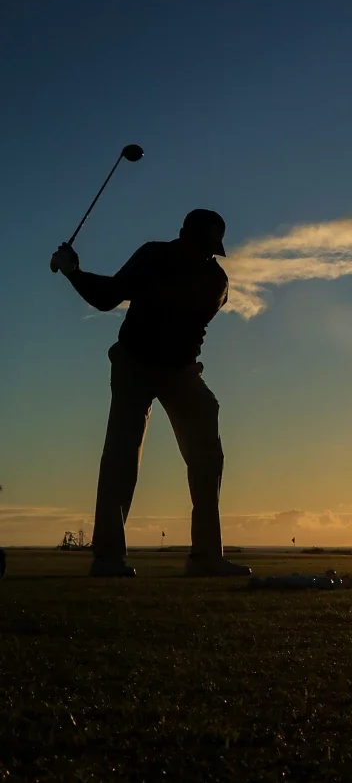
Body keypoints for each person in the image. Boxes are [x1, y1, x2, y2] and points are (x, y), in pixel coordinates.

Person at [51, 209, 249, 578]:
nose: (205, 255)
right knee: (121, 458)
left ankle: (206, 557)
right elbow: (108, 298)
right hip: (134, 366)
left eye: (210, 250)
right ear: (184, 236)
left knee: (207, 455)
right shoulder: (158, 256)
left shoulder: (210, 278)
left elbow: (110, 296)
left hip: (180, 371)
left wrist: (71, 270)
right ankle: (108, 558)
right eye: (201, 246)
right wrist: (74, 272)